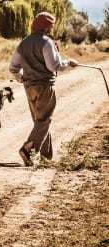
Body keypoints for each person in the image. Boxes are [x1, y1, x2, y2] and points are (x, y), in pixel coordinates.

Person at [9, 11, 77, 166]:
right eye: (51, 26)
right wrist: (69, 62)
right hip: (45, 86)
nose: (51, 29)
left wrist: (22, 78)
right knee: (44, 120)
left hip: (29, 87)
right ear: (47, 27)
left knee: (39, 121)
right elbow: (53, 66)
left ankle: (47, 157)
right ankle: (27, 149)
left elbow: (13, 67)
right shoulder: (47, 42)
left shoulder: (23, 43)